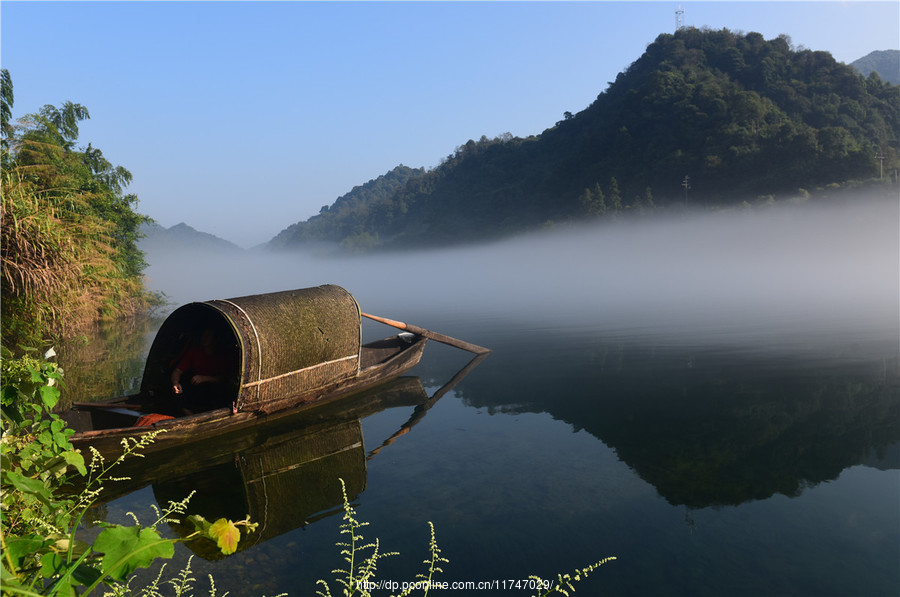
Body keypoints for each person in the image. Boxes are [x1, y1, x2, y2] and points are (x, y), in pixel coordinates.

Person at [170, 327, 228, 414]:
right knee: (180, 389)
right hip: (197, 387)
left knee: (219, 390)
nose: (204, 338)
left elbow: (226, 378)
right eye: (204, 335)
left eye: (208, 335)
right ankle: (188, 413)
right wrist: (175, 383)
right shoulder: (195, 352)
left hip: (214, 388)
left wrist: (205, 378)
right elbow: (177, 371)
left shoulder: (222, 355)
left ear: (215, 338)